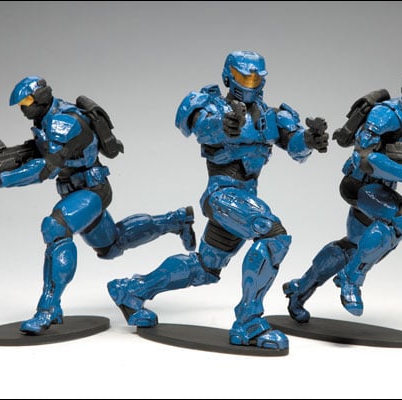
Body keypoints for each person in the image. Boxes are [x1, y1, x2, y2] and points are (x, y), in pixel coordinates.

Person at [107, 50, 329, 350]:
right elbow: (201, 128)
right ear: (228, 77)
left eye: (256, 78)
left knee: (205, 269)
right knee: (273, 236)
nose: (250, 83)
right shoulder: (211, 105)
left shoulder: (273, 116)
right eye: (243, 77)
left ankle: (132, 291)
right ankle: (249, 322)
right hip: (222, 194)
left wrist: (310, 140)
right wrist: (223, 125)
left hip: (244, 200)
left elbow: (295, 147)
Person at [0, 76, 196, 334]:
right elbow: (38, 153)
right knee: (111, 246)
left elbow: (45, 169)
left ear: (41, 98)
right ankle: (177, 220)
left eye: (26, 102)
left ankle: (48, 308)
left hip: (91, 189)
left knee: (55, 228)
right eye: (21, 104)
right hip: (76, 190)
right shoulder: (46, 120)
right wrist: (1, 166)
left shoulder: (64, 122)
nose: (23, 108)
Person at [283, 71, 402, 321]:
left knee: (353, 247)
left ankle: (300, 288)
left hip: (382, 189)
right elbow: (363, 157)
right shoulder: (385, 114)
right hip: (359, 183)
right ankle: (351, 279)